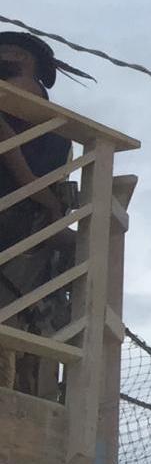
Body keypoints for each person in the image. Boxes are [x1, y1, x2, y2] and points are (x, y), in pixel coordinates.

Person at [0, 32, 89, 367]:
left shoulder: (22, 87)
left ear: (26, 59)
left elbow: (9, 144)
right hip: (28, 212)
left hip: (20, 210)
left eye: (8, 49)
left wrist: (44, 200)